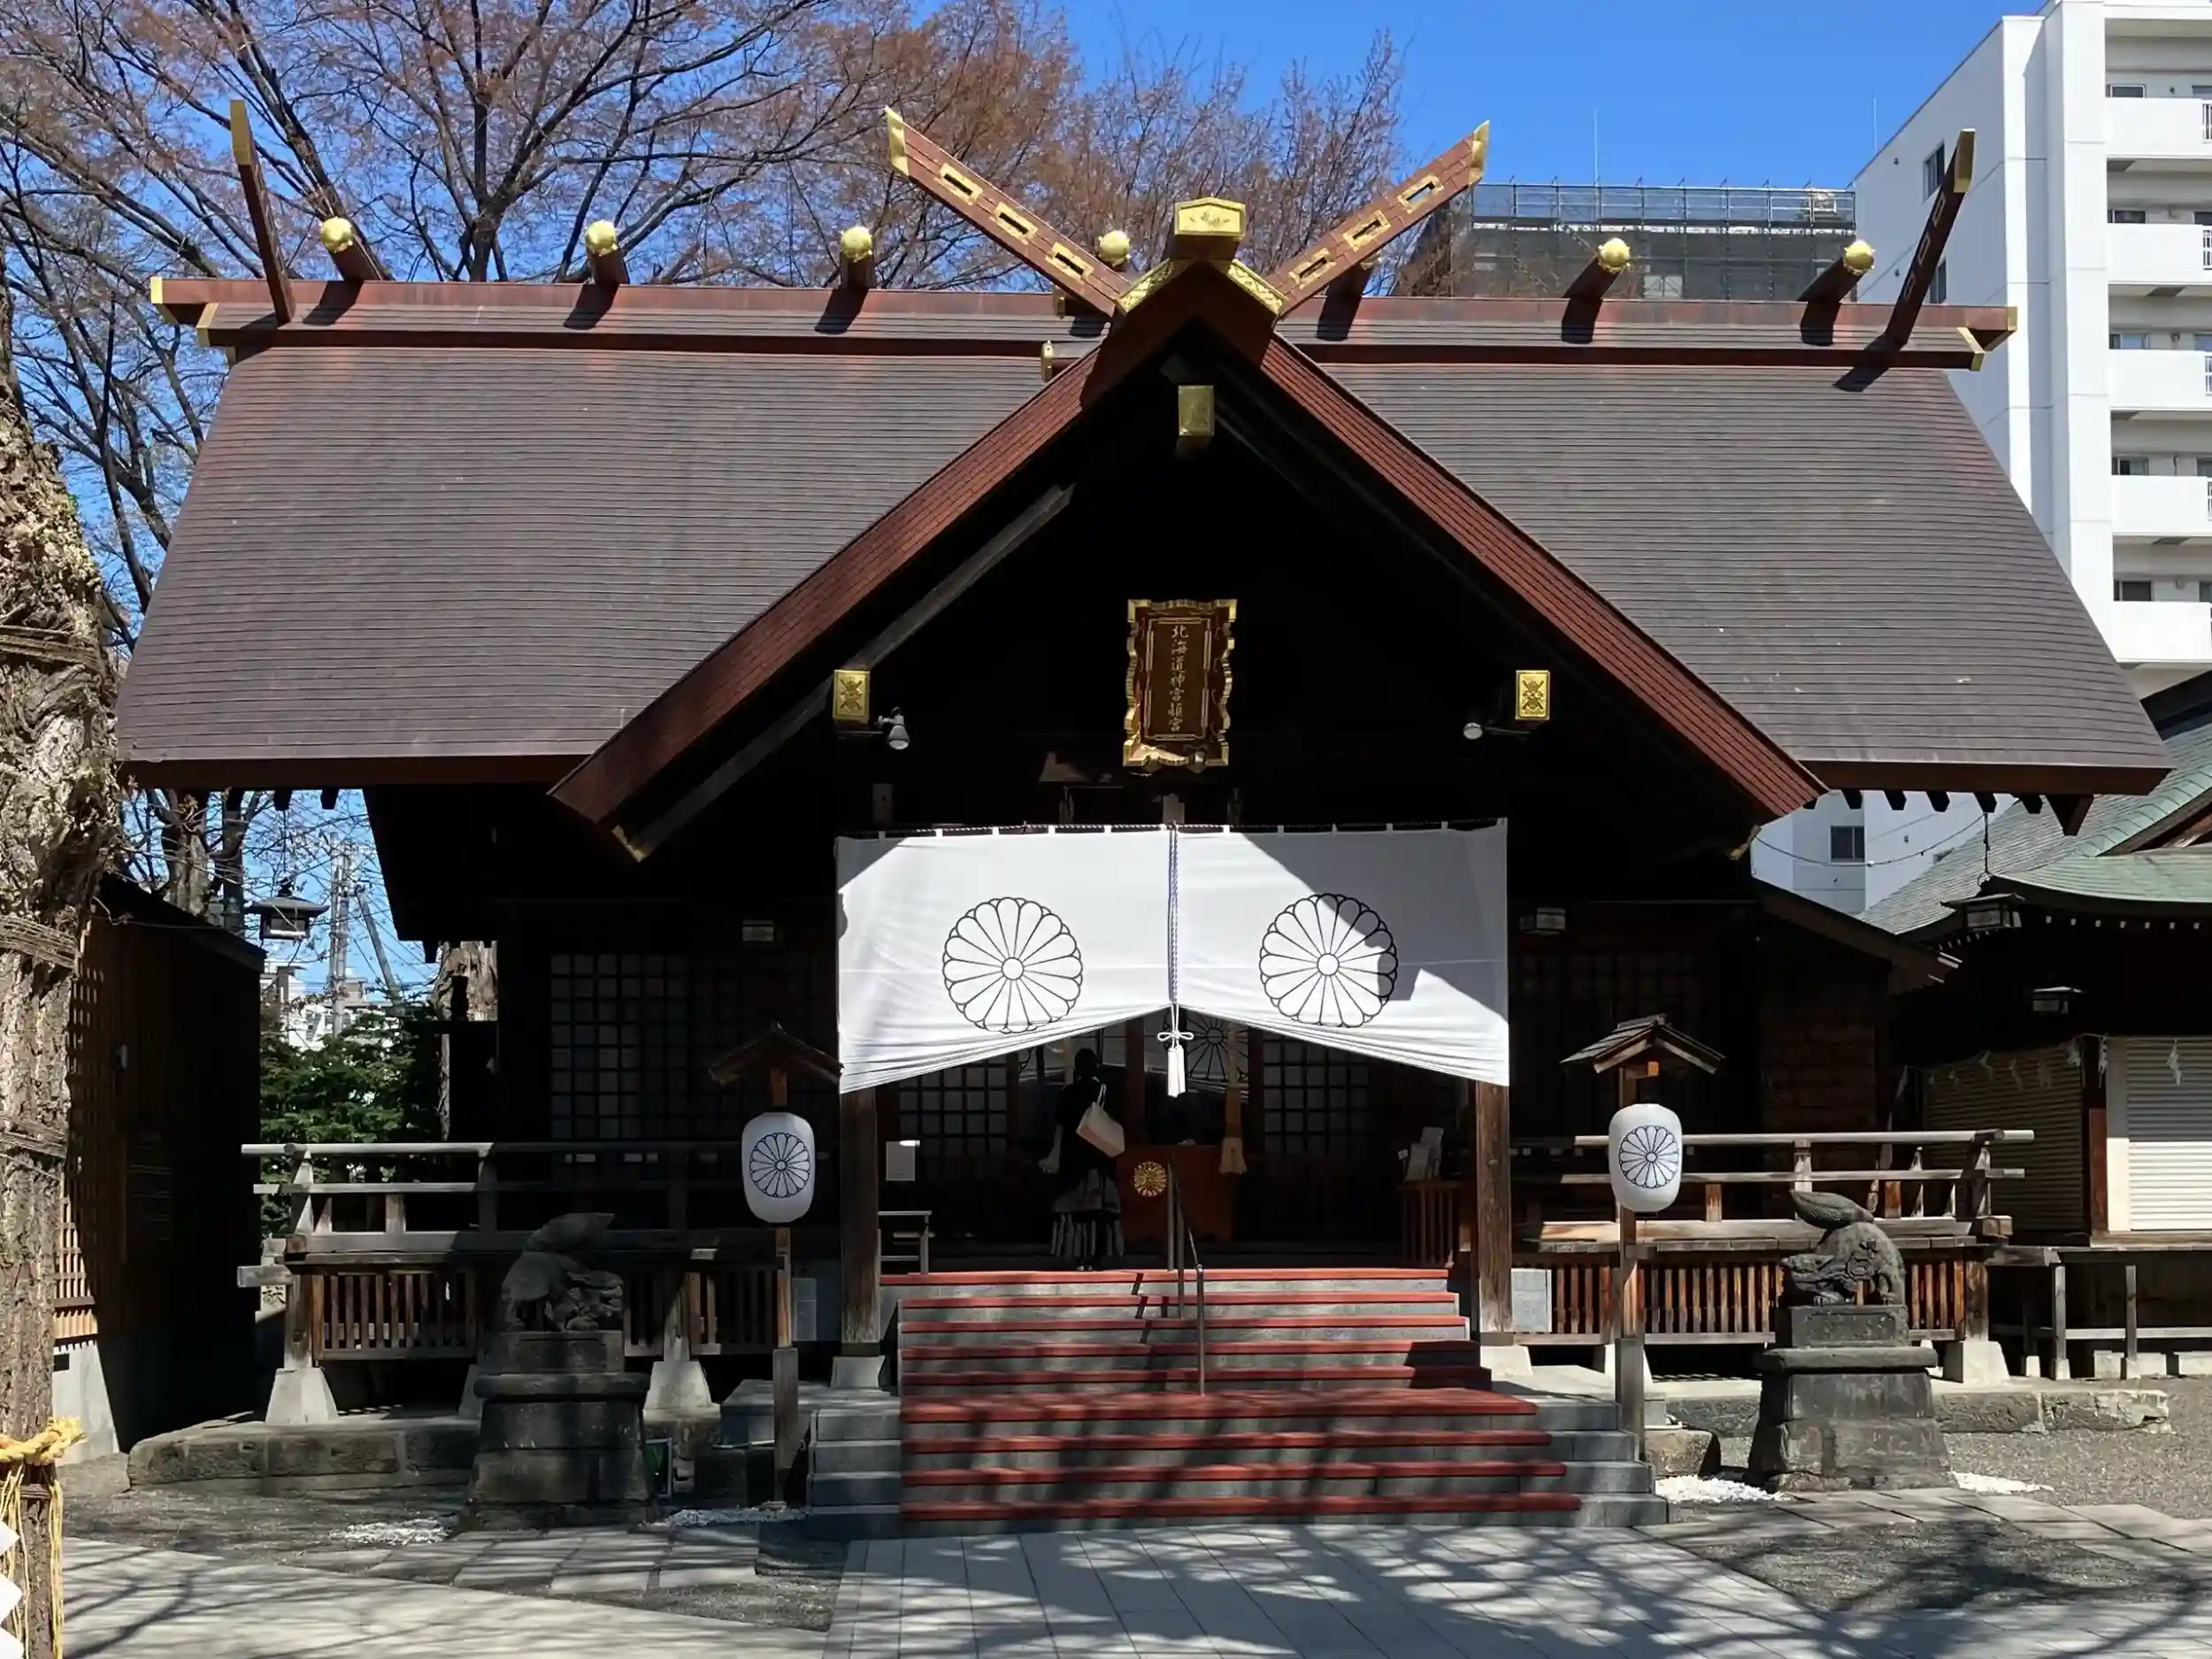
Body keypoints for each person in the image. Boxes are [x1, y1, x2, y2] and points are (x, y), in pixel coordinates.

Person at [1041, 1048, 1122, 1269]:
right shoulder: (1105, 1091)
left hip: (1072, 1156)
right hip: (1099, 1156)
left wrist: (1055, 1154)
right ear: (1096, 1067)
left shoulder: (1068, 1093)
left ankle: (1075, 1254)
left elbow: (1060, 1126)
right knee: (1098, 1210)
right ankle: (1099, 1256)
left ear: (1076, 1068)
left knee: (1075, 1210)